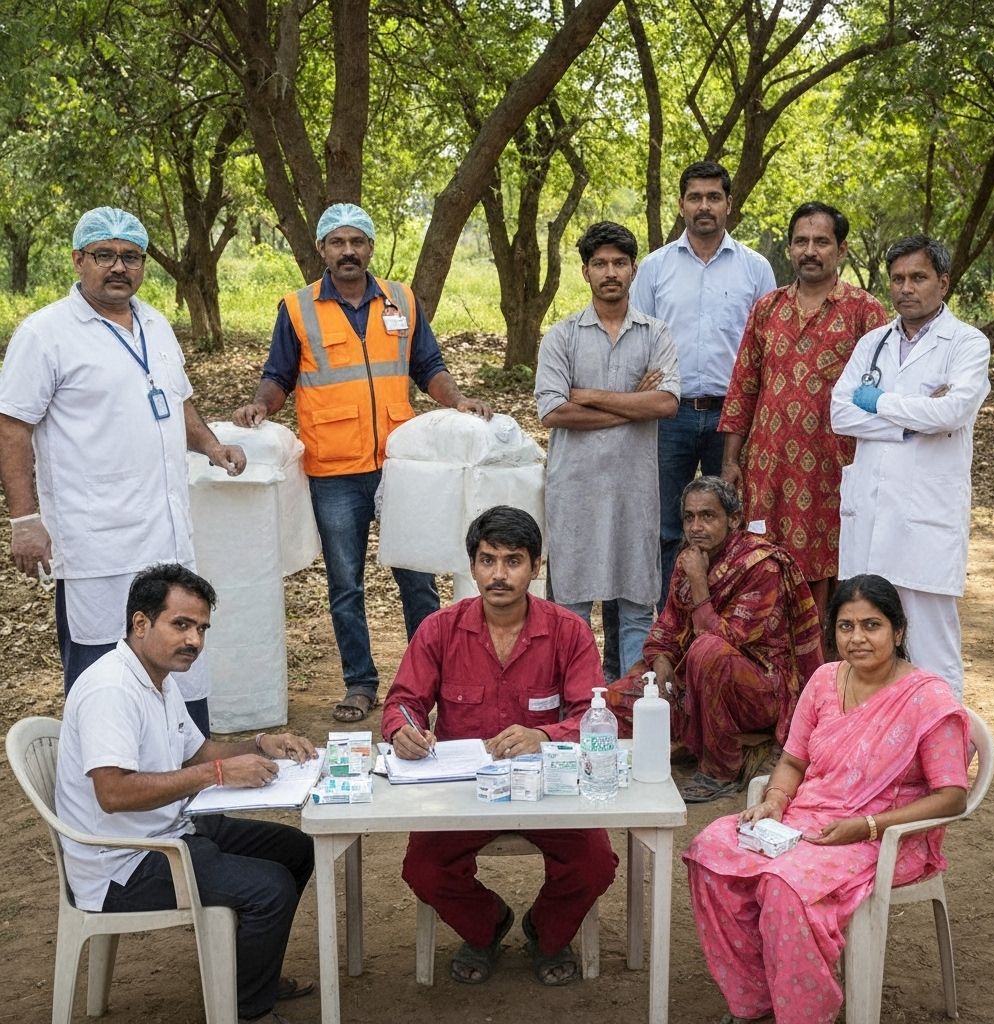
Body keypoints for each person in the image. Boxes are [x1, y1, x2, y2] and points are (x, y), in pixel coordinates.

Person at [232, 203, 491, 724]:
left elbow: (428, 366)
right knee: (345, 583)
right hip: (334, 470)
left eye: (357, 242)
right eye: (337, 243)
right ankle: (360, 683)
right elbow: (278, 375)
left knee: (416, 575)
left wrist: (457, 400)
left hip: (399, 465)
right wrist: (261, 403)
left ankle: (431, 680)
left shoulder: (401, 300)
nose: (348, 251)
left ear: (370, 247)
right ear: (323, 250)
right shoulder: (298, 308)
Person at [683, 574, 970, 1024]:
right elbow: (793, 761)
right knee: (711, 852)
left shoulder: (927, 697)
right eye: (845, 626)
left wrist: (870, 826)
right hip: (807, 820)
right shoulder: (823, 680)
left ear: (898, 631)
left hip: (886, 835)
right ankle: (758, 1001)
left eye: (871, 626)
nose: (857, 639)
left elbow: (952, 796)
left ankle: (805, 1012)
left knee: (784, 885)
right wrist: (775, 800)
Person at [0, 207, 245, 733]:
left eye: (130, 257)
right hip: (97, 544)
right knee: (103, 673)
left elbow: (176, 403)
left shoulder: (154, 323)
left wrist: (211, 446)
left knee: (180, 661)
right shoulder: (45, 334)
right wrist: (24, 520)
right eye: (104, 255)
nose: (118, 267)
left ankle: (188, 787)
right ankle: (107, 795)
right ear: (78, 260)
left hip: (168, 537)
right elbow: (12, 426)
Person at [54, 563, 316, 1024]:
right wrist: (217, 773)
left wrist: (259, 744)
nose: (194, 640)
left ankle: (240, 978)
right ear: (141, 623)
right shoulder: (111, 689)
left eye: (201, 628)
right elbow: (113, 793)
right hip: (122, 864)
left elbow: (197, 752)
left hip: (170, 830)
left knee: (294, 849)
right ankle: (248, 1011)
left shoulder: (156, 678)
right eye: (181, 624)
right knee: (269, 888)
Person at [381, 506, 618, 986]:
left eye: (513, 561)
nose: (499, 574)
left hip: (550, 788)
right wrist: (402, 730)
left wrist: (544, 736)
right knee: (423, 868)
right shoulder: (439, 629)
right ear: (471, 566)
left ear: (535, 566)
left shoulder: (568, 632)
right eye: (488, 560)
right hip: (461, 790)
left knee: (594, 863)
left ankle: (546, 933)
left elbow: (589, 716)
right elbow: (403, 701)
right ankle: (486, 925)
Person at [831, 235, 990, 700]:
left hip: (925, 524)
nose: (906, 288)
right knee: (869, 649)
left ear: (943, 281)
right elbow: (840, 413)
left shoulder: (966, 343)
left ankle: (947, 765)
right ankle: (873, 760)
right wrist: (911, 420)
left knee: (933, 653)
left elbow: (952, 413)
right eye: (897, 278)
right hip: (870, 517)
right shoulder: (872, 343)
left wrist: (877, 402)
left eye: (918, 277)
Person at [719, 202, 888, 625]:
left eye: (821, 242)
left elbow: (882, 390)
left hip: (834, 471)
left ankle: (830, 678)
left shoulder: (865, 312)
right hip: (768, 468)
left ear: (841, 249)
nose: (810, 251)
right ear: (791, 248)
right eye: (801, 242)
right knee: (764, 564)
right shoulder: (767, 308)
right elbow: (744, 387)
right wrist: (730, 462)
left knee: (834, 574)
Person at [607, 477, 822, 802]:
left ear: (733, 520)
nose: (696, 526)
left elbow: (723, 640)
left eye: (708, 516)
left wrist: (698, 583)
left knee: (707, 652)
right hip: (694, 680)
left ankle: (720, 770)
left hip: (759, 690)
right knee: (616, 699)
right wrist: (662, 662)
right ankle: (687, 742)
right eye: (689, 517)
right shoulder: (692, 557)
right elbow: (666, 626)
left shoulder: (761, 566)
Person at [535, 221, 679, 671]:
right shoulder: (562, 335)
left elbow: (666, 402)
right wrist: (633, 403)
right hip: (575, 488)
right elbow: (554, 411)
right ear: (585, 272)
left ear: (635, 270)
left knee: (637, 606)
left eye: (619, 262)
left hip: (634, 490)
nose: (610, 272)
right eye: (600, 263)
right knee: (573, 608)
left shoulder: (655, 333)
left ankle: (629, 709)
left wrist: (592, 394)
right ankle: (576, 707)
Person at [632, 161, 776, 609]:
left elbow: (766, 347)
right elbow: (638, 336)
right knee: (665, 526)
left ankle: (721, 628)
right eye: (695, 197)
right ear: (681, 205)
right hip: (667, 414)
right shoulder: (655, 268)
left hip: (731, 419)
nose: (704, 206)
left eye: (714, 197)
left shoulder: (755, 269)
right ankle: (665, 627)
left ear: (729, 204)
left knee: (726, 525)